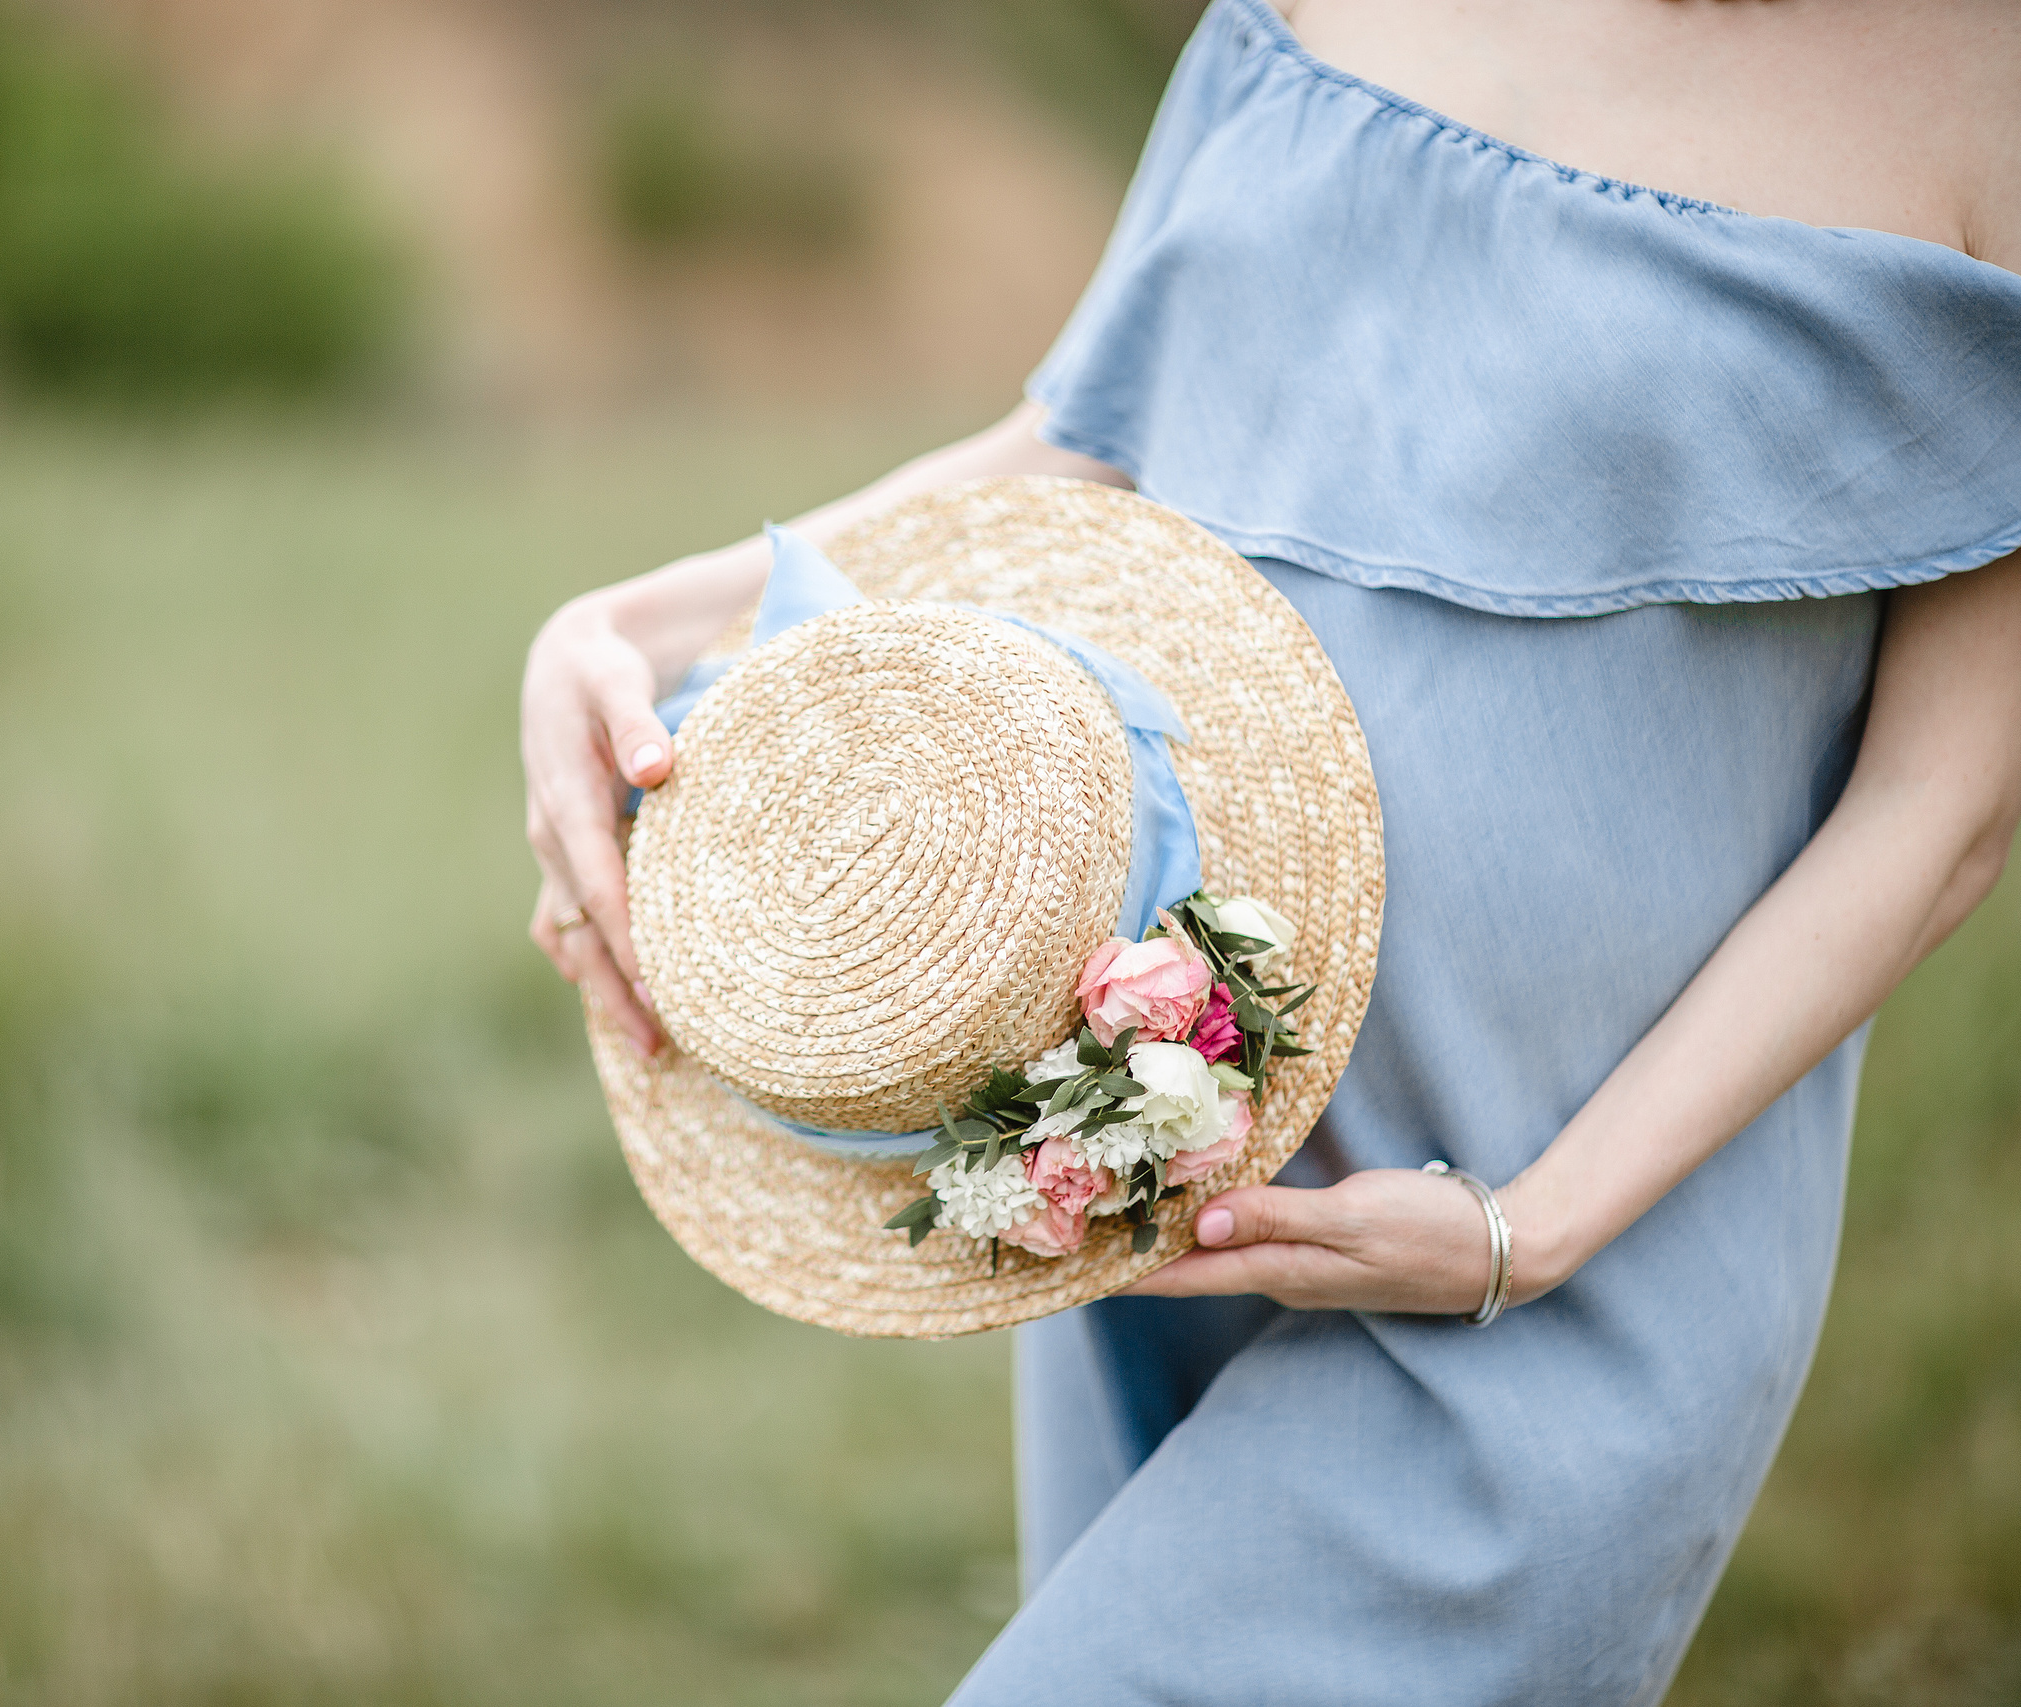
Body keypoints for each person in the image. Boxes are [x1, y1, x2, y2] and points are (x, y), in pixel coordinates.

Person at [518, 0, 2021, 1699]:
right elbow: (1076, 450)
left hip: (1540, 1269)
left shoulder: (1989, 94)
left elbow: (1945, 809)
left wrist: (1534, 1229)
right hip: (1160, 1148)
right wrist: (631, 619)